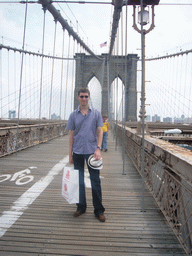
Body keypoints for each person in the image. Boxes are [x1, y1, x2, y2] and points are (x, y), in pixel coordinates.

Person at [66, 88, 106, 222]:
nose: (84, 99)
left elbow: (100, 131)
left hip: (91, 152)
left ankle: (99, 210)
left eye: (86, 96)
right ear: (78, 97)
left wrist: (98, 148)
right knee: (79, 182)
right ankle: (81, 207)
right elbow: (71, 135)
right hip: (77, 152)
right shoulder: (73, 115)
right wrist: (70, 154)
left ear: (89, 97)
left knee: (95, 182)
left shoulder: (96, 114)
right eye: (81, 96)